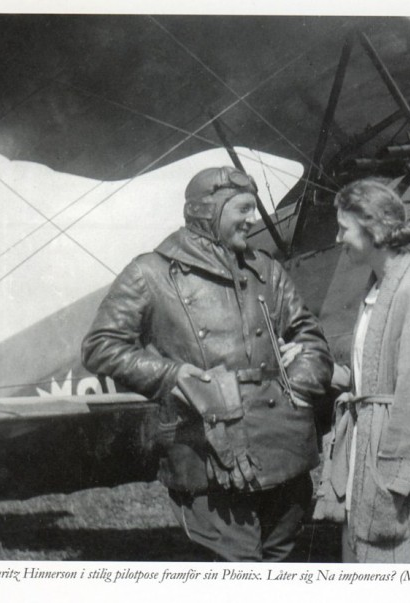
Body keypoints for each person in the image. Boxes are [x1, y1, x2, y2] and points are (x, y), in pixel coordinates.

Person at [81, 166, 333, 561]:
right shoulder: (150, 272)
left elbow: (310, 337)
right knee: (238, 569)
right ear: (208, 212)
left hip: (283, 445)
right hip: (208, 455)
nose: (253, 219)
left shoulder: (267, 269)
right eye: (244, 209)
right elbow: (101, 346)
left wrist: (300, 384)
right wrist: (171, 374)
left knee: (282, 560)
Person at [314, 179, 410, 563]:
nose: (338, 237)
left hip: (396, 461)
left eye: (344, 228)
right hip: (367, 447)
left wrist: (392, 482)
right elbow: (374, 380)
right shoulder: (376, 289)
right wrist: (325, 370)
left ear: (373, 228)